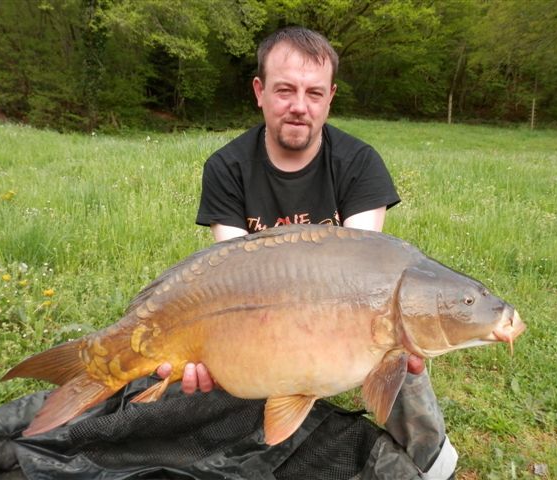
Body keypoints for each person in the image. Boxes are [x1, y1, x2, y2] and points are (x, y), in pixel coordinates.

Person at [158, 26, 457, 479]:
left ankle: (432, 461)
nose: (300, 106)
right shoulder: (227, 167)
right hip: (263, 318)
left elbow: (367, 279)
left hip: (346, 320)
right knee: (205, 371)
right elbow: (232, 275)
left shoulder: (360, 164)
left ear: (330, 97)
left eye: (314, 93)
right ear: (259, 92)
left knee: (401, 344)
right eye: (285, 90)